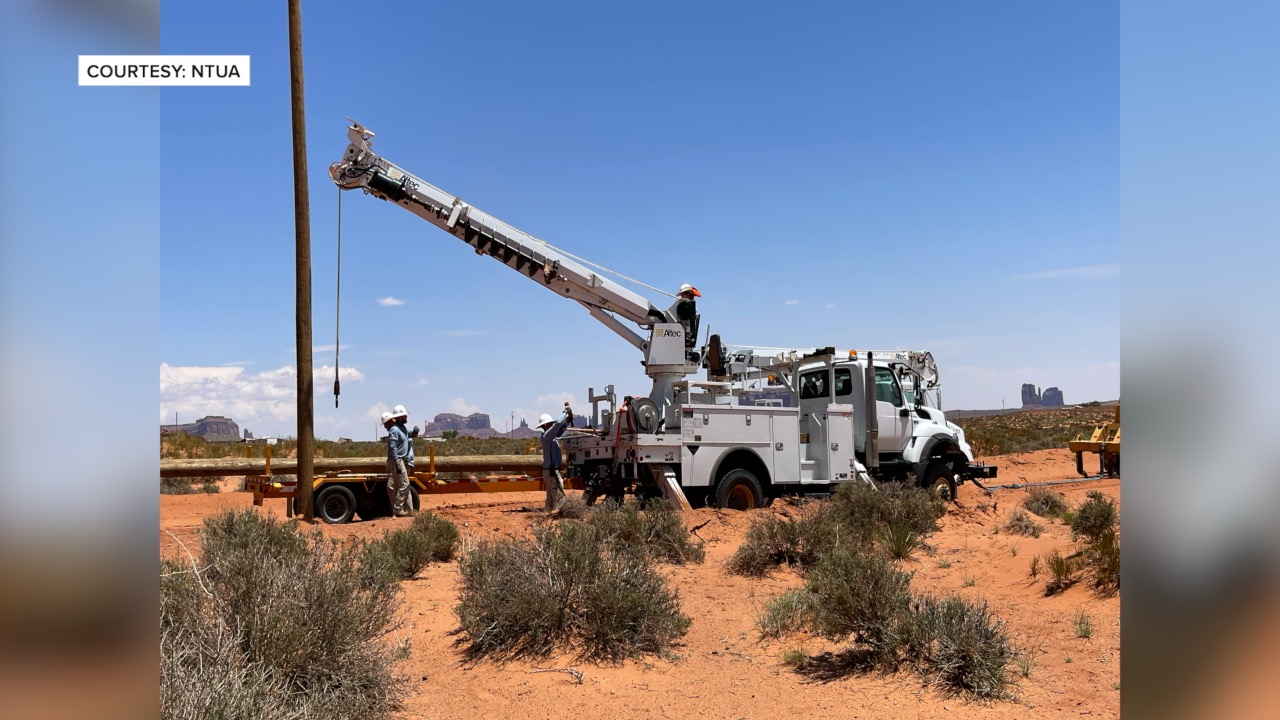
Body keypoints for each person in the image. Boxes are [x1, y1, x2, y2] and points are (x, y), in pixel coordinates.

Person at [537, 403, 573, 511]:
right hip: (551, 472)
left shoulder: (551, 437)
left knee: (550, 498)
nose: (551, 425)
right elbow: (557, 424)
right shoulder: (547, 436)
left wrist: (568, 420)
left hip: (549, 472)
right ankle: (558, 517)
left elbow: (561, 428)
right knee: (558, 496)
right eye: (549, 424)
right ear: (545, 425)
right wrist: (565, 413)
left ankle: (547, 517)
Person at [384, 409, 413, 517]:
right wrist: (396, 463)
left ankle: (409, 511)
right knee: (405, 485)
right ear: (398, 417)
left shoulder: (401, 428)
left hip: (398, 460)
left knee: (393, 487)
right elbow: (393, 447)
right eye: (404, 416)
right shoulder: (394, 430)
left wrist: (413, 433)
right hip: (397, 461)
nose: (406, 418)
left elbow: (406, 434)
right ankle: (397, 510)